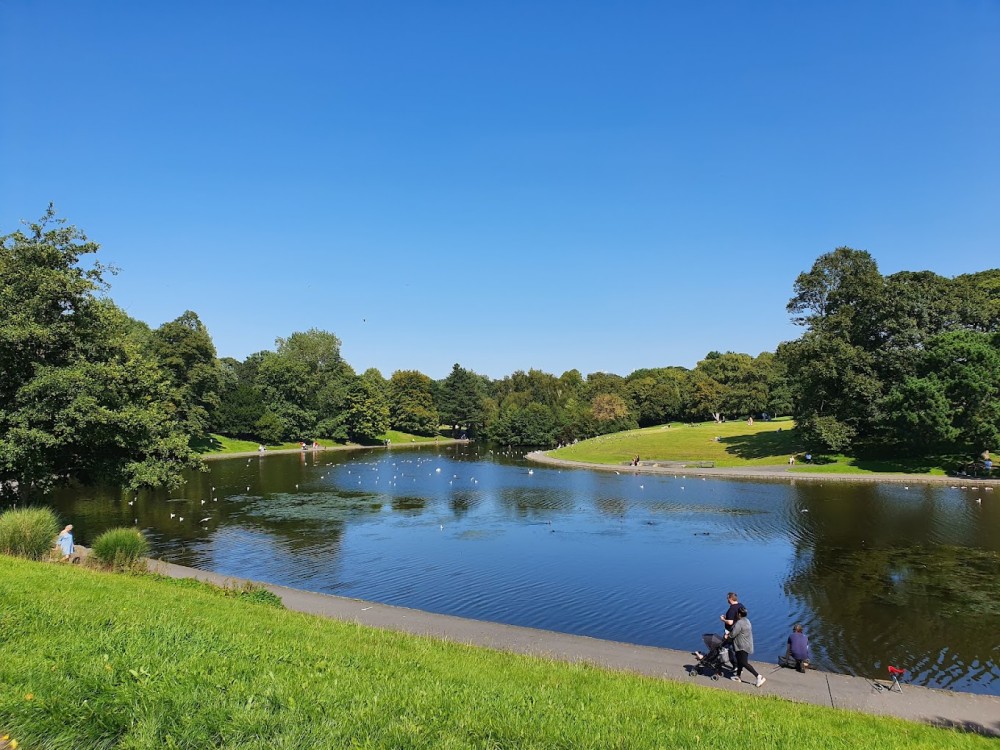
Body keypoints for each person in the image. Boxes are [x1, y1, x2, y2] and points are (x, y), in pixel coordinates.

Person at [726, 606, 765, 687]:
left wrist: (727, 636)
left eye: (737, 613)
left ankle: (758, 676)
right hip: (748, 644)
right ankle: (738, 676)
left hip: (741, 646)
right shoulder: (747, 621)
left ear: (739, 614)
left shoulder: (739, 623)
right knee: (739, 661)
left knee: (744, 662)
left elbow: (733, 634)